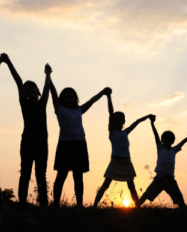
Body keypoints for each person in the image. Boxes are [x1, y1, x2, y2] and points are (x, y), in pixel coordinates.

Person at [49, 78, 112, 207]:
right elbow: (53, 92)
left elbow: (92, 100)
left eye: (72, 97)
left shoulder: (79, 110)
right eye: (66, 97)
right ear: (62, 99)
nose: (69, 99)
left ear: (75, 99)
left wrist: (103, 92)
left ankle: (79, 205)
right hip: (65, 144)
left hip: (79, 145)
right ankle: (55, 204)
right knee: (61, 175)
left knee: (78, 176)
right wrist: (48, 76)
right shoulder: (59, 109)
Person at [0, 53, 52, 207]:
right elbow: (18, 81)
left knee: (40, 175)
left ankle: (43, 202)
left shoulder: (42, 103)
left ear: (37, 91)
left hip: (42, 144)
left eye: (31, 88)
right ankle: (22, 202)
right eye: (26, 89)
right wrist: (8, 62)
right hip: (28, 144)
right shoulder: (25, 104)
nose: (28, 90)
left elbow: (47, 86)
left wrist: (48, 73)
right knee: (25, 174)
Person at [93, 91, 154, 208]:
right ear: (112, 122)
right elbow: (110, 112)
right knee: (105, 184)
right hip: (115, 162)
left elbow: (136, 122)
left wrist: (148, 116)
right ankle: (94, 205)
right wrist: (109, 97)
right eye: (115, 120)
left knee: (131, 186)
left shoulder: (125, 132)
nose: (117, 121)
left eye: (119, 120)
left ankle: (138, 207)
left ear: (123, 122)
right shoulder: (112, 132)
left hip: (126, 163)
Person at [139, 116, 187, 207]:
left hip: (170, 180)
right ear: (162, 141)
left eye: (170, 140)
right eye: (165, 140)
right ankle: (136, 206)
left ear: (172, 142)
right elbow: (155, 135)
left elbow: (184, 141)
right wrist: (152, 123)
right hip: (159, 179)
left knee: (179, 198)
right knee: (147, 194)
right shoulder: (160, 148)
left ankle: (184, 211)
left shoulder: (174, 150)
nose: (167, 142)